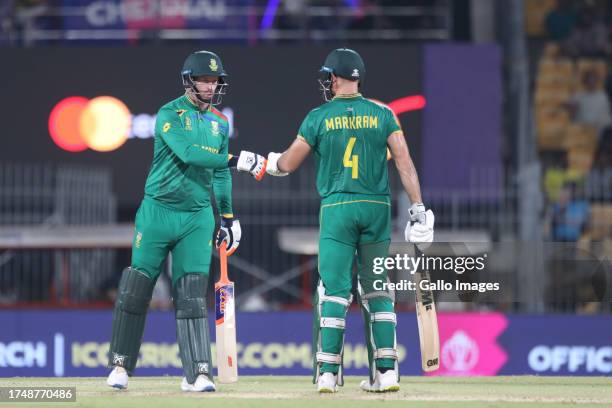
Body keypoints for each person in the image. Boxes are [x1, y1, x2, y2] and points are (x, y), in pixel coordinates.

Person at [265, 48, 434, 393]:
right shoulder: (384, 113)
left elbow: (288, 164)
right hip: (376, 207)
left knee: (335, 290)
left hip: (338, 208)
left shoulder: (319, 117)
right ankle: (386, 372)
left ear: (334, 78)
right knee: (377, 289)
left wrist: (269, 164)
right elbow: (404, 163)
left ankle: (328, 373)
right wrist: (418, 209)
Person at [105, 50, 267, 392]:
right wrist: (238, 159)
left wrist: (227, 216)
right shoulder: (169, 114)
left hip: (196, 216)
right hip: (157, 212)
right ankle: (120, 364)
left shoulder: (221, 123)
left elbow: (219, 173)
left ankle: (197, 373)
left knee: (191, 293)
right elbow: (190, 153)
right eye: (203, 80)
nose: (209, 87)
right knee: (137, 288)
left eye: (214, 81)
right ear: (188, 81)